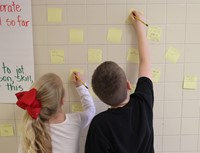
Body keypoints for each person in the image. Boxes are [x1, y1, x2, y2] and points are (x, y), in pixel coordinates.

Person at [85, 10, 154, 153]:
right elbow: (145, 62)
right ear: (129, 85)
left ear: (101, 98)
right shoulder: (142, 103)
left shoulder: (99, 125)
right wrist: (139, 27)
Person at [16, 72, 95, 153]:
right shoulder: (76, 121)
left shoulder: (29, 130)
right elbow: (91, 110)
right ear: (62, 101)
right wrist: (81, 86)